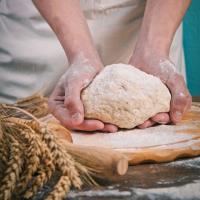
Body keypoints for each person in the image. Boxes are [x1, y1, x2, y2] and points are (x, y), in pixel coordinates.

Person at [0, 0, 192, 132]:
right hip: (40, 23)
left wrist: (154, 49)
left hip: (153, 19)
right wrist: (80, 55)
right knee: (24, 132)